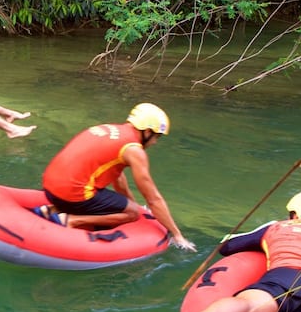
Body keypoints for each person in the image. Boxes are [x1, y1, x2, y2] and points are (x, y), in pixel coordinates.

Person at [35, 103, 196, 251]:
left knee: (127, 206)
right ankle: (71, 220)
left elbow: (117, 178)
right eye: (157, 136)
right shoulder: (133, 150)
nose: (155, 142)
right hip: (72, 195)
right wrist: (177, 235)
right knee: (132, 214)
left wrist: (132, 203)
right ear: (147, 132)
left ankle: (52, 208)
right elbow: (153, 198)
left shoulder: (109, 129)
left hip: (49, 189)